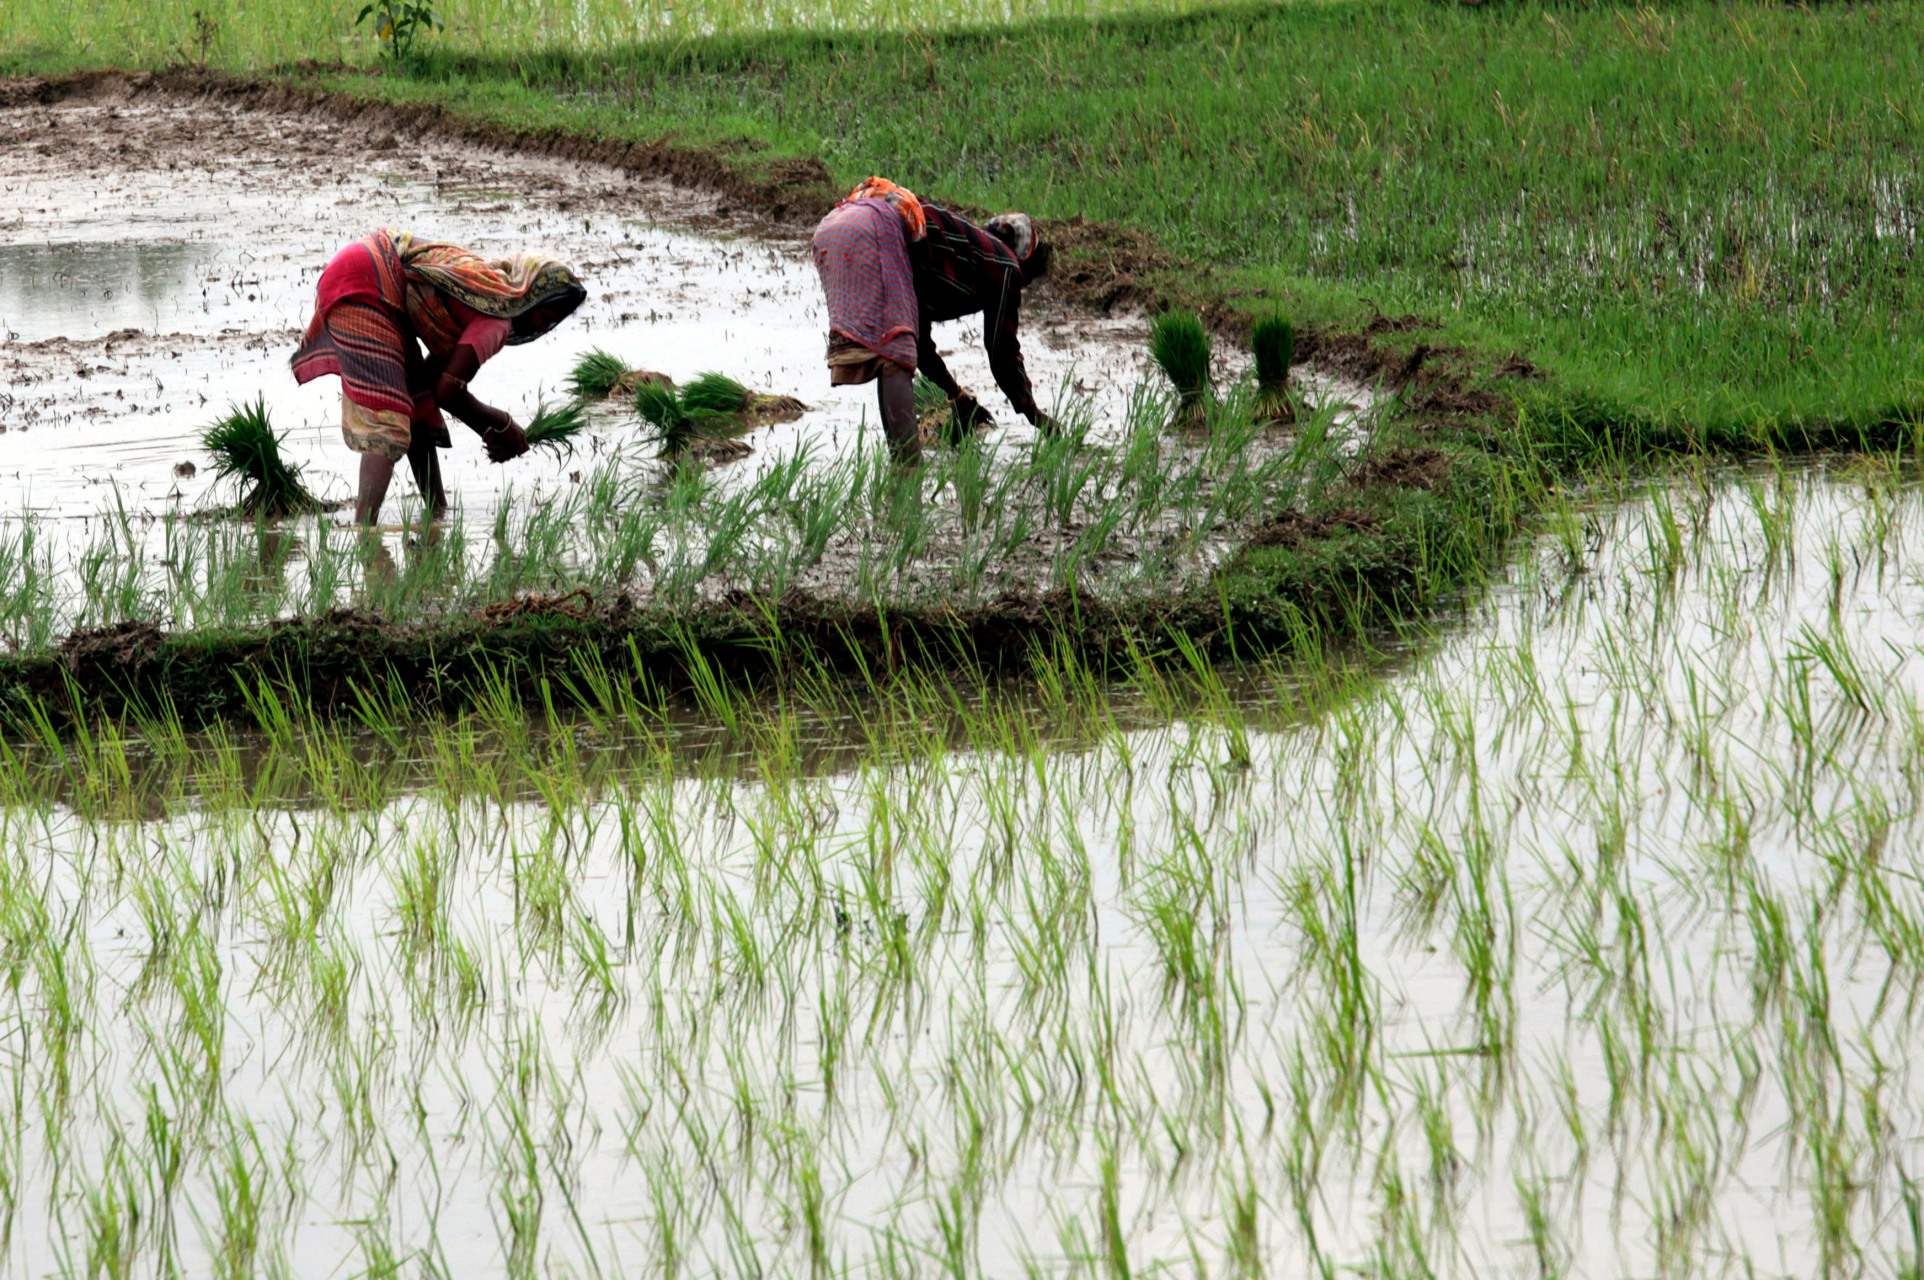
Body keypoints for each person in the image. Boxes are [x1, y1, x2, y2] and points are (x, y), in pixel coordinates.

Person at [292, 228, 586, 524]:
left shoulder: (484, 287)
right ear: (530, 296)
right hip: (366, 283)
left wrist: (489, 431)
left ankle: (436, 511)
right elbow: (449, 391)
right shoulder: (496, 319)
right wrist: (500, 423)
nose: (542, 329)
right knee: (389, 420)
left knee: (417, 401)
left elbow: (434, 387)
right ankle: (364, 530)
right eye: (545, 318)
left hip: (368, 267)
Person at [811, 178, 1052, 462]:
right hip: (876, 228)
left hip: (832, 228)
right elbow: (1003, 354)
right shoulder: (1005, 266)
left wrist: (958, 397)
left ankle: (900, 465)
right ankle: (909, 469)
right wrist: (1036, 416)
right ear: (1025, 264)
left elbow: (920, 347)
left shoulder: (943, 257)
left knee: (890, 352)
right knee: (894, 358)